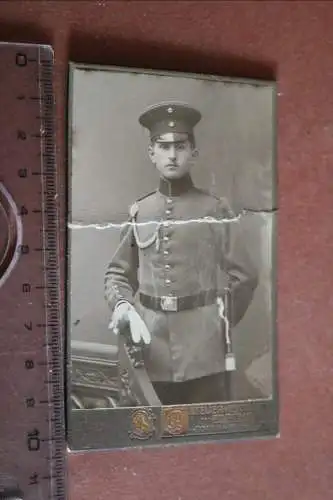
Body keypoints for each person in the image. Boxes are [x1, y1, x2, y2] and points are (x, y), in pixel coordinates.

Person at [104, 101, 258, 405]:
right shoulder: (141, 211)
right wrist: (122, 305)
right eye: (163, 146)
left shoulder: (213, 209)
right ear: (152, 154)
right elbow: (118, 273)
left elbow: (246, 275)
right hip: (150, 348)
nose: (172, 155)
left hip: (203, 352)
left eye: (180, 146)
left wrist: (219, 323)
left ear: (193, 153)